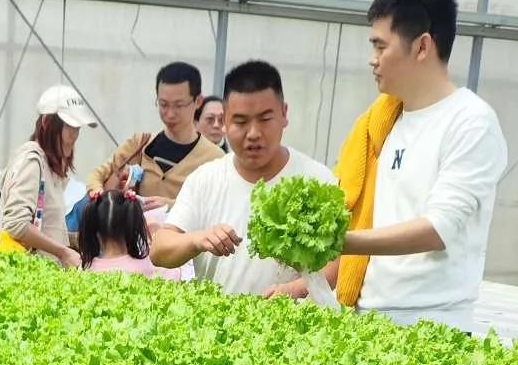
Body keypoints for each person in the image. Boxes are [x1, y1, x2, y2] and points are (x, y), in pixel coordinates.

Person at [317, 0, 506, 332]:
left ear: (422, 47)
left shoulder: (470, 121)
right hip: (369, 316)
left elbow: (438, 229)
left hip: (432, 325)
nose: (372, 60)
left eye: (380, 46)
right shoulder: (385, 120)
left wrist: (340, 241)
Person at [150, 59, 339, 295]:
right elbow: (159, 249)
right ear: (225, 122)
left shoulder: (317, 180)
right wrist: (197, 239)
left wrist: (293, 290)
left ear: (284, 114)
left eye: (265, 119)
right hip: (218, 326)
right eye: (240, 121)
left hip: (293, 326)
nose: (253, 134)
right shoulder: (205, 179)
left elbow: (335, 266)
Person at [87, 61, 223, 209]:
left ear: (198, 101)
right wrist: (101, 196)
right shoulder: (139, 144)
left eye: (179, 105)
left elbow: (216, 209)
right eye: (163, 104)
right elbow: (96, 175)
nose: (170, 114)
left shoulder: (215, 160)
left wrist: (170, 206)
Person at [0, 85, 97, 265]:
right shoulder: (32, 161)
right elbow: (15, 223)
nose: (74, 135)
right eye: (69, 126)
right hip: (27, 277)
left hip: (42, 274)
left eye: (78, 128)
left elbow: (47, 226)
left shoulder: (49, 166)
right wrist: (63, 252)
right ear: (46, 122)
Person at [330, 93, 402, 307]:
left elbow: (441, 228)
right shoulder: (370, 124)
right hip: (367, 302)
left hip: (421, 309)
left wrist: (344, 243)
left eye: (380, 55)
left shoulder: (464, 120)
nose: (374, 61)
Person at [77, 189, 187, 279]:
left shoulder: (86, 268)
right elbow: (177, 274)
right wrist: (157, 235)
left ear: (92, 227)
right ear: (133, 224)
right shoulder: (149, 264)